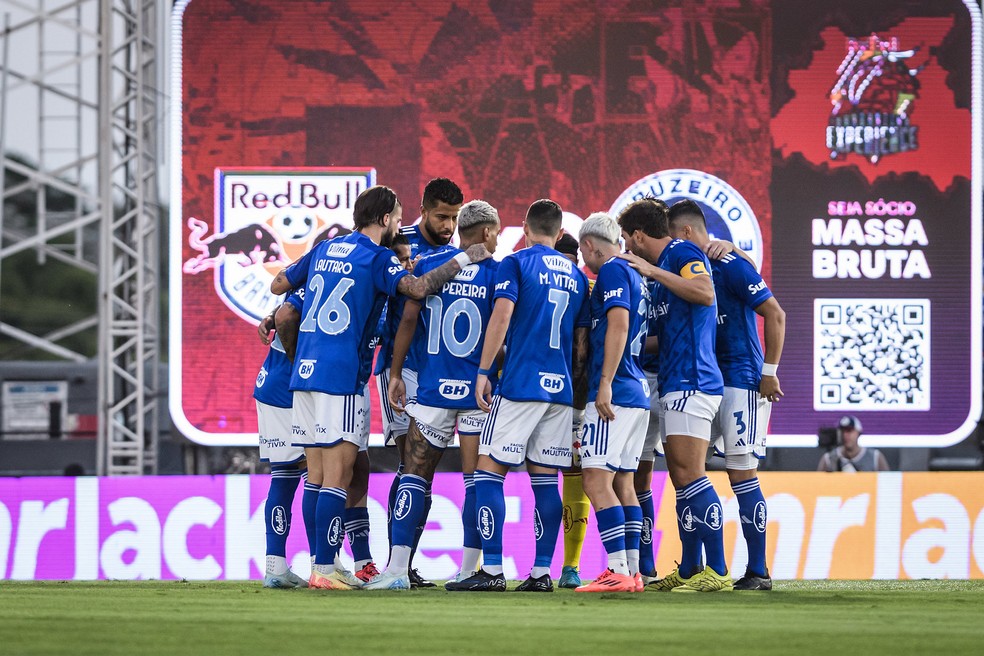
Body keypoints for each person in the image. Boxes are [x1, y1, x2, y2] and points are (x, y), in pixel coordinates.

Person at [270, 185, 490, 590]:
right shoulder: (377, 257)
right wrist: (465, 256)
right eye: (397, 217)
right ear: (386, 219)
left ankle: (326, 563)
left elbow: (279, 285)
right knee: (339, 476)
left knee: (316, 477)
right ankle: (324, 568)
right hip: (341, 377)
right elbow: (418, 289)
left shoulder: (324, 248)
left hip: (303, 375)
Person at [447, 199, 590, 592]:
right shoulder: (577, 277)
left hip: (520, 384)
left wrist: (482, 371)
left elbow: (502, 316)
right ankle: (542, 573)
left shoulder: (516, 262)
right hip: (559, 391)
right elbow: (581, 347)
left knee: (488, 474)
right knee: (545, 482)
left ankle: (491, 570)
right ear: (560, 233)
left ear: (524, 227)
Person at [366, 200, 501, 590]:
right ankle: (471, 569)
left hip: (432, 389)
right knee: (476, 481)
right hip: (479, 392)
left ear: (462, 228)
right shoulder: (498, 271)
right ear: (489, 232)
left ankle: (395, 572)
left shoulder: (430, 265)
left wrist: (394, 373)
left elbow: (408, 320)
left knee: (414, 476)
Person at [667, 200, 786, 591]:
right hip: (707, 381)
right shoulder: (688, 267)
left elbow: (775, 313)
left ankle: (758, 571)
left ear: (685, 232)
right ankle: (691, 568)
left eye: (673, 237)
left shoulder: (729, 263)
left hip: (742, 379)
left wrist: (769, 372)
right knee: (687, 475)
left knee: (741, 474)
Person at [618, 197, 731, 593]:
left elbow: (704, 291)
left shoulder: (680, 251)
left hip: (693, 380)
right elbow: (664, 336)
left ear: (636, 235)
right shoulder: (665, 269)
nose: (628, 249)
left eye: (628, 241)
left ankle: (717, 570)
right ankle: (689, 570)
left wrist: (651, 270)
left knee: (690, 475)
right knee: (682, 482)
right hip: (675, 380)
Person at [375, 177, 463, 588]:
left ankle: (401, 563)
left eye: (455, 217)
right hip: (400, 366)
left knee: (420, 470)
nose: (448, 225)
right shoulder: (399, 240)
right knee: (410, 464)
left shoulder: (457, 255)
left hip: (435, 371)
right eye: (442, 216)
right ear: (424, 210)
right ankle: (398, 564)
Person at [572, 212, 651, 593]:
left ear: (589, 245)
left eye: (582, 252)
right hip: (637, 393)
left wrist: (603, 383)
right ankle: (633, 573)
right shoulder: (637, 274)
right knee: (624, 483)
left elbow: (618, 324)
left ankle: (616, 570)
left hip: (615, 392)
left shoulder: (613, 272)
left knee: (595, 479)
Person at [254, 298, 310, 589]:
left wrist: (270, 318)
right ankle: (324, 565)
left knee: (284, 478)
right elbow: (287, 314)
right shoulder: (318, 272)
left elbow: (283, 313)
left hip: (272, 385)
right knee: (319, 477)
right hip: (289, 390)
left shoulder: (307, 274)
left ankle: (275, 566)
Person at [554, 232, 591, 589]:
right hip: (574, 400)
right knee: (568, 479)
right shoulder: (587, 286)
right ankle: (566, 566)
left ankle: (567, 566)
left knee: (566, 478)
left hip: (560, 401)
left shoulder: (529, 279)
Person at [817, 416, 889, 472]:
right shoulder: (829, 459)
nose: (845, 435)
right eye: (843, 431)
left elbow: (888, 485)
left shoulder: (874, 457)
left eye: (849, 431)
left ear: (858, 432)